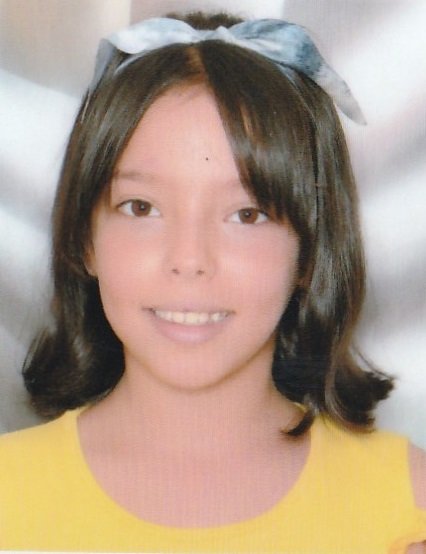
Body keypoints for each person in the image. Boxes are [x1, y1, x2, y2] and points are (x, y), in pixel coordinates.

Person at [0, 10, 425, 553]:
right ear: (84, 236)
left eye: (247, 214)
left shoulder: (408, 501)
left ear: (311, 249)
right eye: (141, 207)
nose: (189, 259)